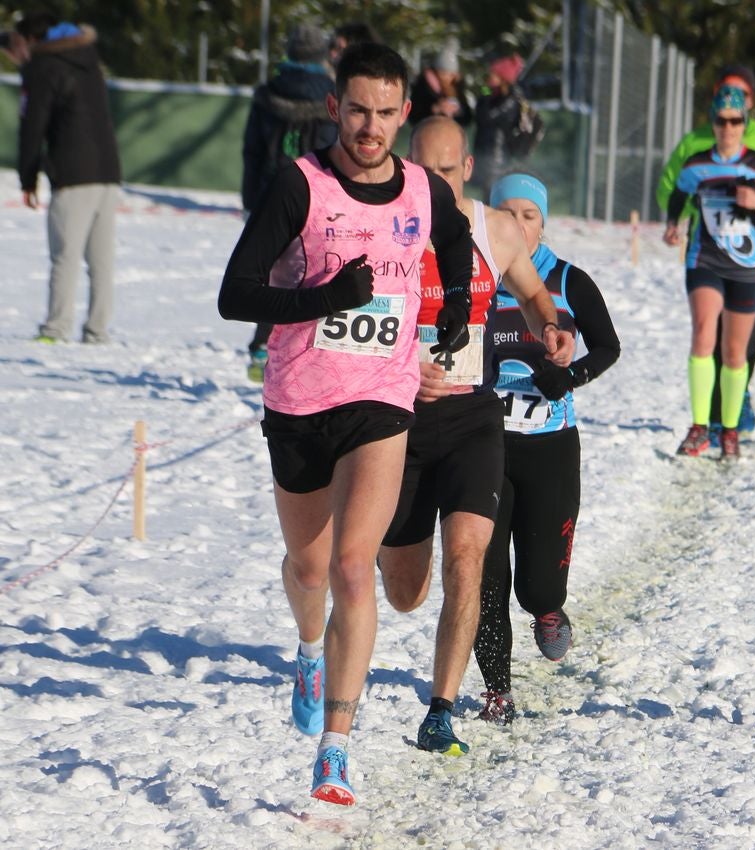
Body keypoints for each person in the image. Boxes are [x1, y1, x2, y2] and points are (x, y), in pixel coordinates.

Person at [218, 43, 476, 806]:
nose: (370, 127)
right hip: (299, 401)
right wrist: (322, 298)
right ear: (335, 109)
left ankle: (335, 748)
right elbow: (236, 295)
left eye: (385, 113)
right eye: (357, 110)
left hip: (382, 398)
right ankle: (307, 650)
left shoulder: (424, 189)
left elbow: (454, 237)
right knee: (308, 567)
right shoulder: (301, 185)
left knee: (351, 566)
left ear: (404, 113)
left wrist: (456, 302)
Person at [375, 119, 575, 756]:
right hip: (401, 425)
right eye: (423, 172)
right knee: (407, 593)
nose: (435, 183)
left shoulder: (497, 230)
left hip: (474, 421)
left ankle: (442, 709)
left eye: (447, 171)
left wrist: (551, 326)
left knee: (470, 559)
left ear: (466, 168)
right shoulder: (388, 230)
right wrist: (407, 371)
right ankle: (398, 549)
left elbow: (536, 291)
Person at [472, 171, 621, 724]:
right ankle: (497, 689)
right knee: (484, 576)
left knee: (536, 585)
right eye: (506, 215)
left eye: (528, 216)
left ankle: (548, 608)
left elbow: (608, 346)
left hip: (551, 447)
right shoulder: (476, 277)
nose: (518, 225)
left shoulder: (566, 280)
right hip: (482, 444)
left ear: (542, 223)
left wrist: (572, 375)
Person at [656, 64, 755, 437]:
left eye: (736, 119)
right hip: (705, 252)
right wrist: (676, 222)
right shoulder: (694, 145)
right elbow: (674, 185)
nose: (728, 127)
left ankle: (737, 403)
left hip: (751, 253)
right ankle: (705, 420)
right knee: (706, 331)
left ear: (748, 108)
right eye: (721, 120)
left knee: (742, 340)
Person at [15, 11, 121, 344]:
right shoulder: (88, 59)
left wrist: (27, 176)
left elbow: (33, 125)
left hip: (74, 173)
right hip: (108, 172)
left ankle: (56, 327)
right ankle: (97, 330)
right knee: (100, 260)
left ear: (33, 40)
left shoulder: (44, 67)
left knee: (65, 255)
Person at [240, 22, 337, 382]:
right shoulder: (332, 94)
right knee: (310, 273)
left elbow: (252, 151)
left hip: (270, 194)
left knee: (267, 275)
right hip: (316, 194)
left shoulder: (268, 94)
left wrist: (251, 199)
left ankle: (263, 344)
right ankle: (304, 350)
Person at [471, 53, 543, 197]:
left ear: (502, 78)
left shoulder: (511, 100)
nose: (489, 77)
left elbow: (488, 117)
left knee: (492, 197)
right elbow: (479, 114)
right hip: (486, 155)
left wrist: (486, 95)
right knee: (487, 196)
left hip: (497, 158)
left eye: (493, 74)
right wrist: (486, 91)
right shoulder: (492, 95)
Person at [408, 45, 473, 127]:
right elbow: (414, 117)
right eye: (444, 73)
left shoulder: (457, 88)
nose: (447, 78)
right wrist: (434, 110)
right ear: (436, 71)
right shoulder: (422, 87)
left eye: (451, 74)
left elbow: (467, 118)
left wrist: (456, 112)